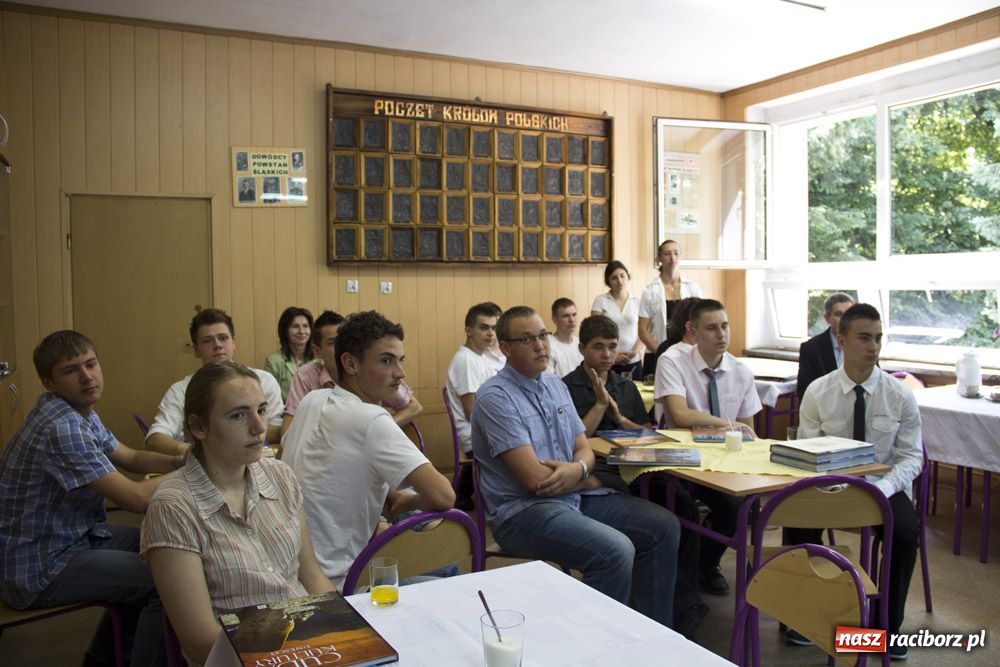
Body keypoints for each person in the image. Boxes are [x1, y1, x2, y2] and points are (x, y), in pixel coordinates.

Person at [471, 306, 679, 628]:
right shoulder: (495, 397)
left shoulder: (555, 385)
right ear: (505, 348)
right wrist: (582, 473)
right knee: (614, 551)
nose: (540, 345)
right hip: (523, 514)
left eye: (542, 335)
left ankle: (648, 634)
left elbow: (583, 447)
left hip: (574, 498)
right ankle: (593, 646)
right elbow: (536, 481)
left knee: (664, 526)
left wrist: (579, 471)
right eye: (527, 339)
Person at [0, 331, 179, 666]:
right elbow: (136, 498)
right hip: (41, 565)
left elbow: (131, 458)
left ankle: (104, 658)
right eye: (71, 371)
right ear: (49, 382)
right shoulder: (62, 427)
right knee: (166, 581)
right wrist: (201, 468)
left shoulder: (77, 412)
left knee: (153, 543)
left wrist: (182, 459)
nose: (87, 377)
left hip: (70, 538)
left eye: (90, 364)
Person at [141, 362, 336, 665]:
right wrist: (295, 654)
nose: (259, 427)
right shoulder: (174, 507)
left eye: (261, 410)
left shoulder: (280, 476)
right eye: (238, 415)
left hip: (311, 648)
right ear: (198, 427)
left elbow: (310, 576)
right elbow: (200, 642)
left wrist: (342, 633)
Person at [281, 311, 455, 588]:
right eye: (386, 361)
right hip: (342, 584)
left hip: (290, 573)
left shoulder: (312, 400)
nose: (400, 373)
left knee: (439, 567)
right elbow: (444, 496)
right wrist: (407, 502)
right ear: (350, 363)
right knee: (450, 567)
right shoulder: (371, 419)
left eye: (400, 360)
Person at [561, 314, 707, 638]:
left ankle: (682, 598)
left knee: (685, 510)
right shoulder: (566, 388)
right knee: (654, 523)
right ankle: (681, 606)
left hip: (636, 469)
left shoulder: (624, 385)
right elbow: (570, 440)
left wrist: (618, 417)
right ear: (582, 348)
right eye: (598, 347)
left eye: (612, 347)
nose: (607, 355)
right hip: (598, 475)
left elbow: (644, 434)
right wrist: (599, 406)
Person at [790, 303, 920, 659]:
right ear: (842, 340)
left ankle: (886, 627)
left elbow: (911, 458)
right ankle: (804, 617)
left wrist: (885, 488)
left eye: (878, 338)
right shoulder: (818, 391)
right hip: (829, 482)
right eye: (864, 338)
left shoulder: (900, 395)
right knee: (797, 522)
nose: (873, 347)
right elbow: (808, 452)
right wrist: (830, 485)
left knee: (906, 533)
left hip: (884, 485)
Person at [655, 299, 762, 594]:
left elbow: (747, 430)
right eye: (712, 328)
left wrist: (737, 434)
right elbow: (680, 415)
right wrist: (726, 425)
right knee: (718, 507)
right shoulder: (674, 360)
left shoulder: (741, 371)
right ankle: (695, 569)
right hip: (685, 457)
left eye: (725, 326)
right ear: (693, 331)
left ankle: (704, 564)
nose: (721, 335)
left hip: (726, 457)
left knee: (742, 506)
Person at [145, 308, 284, 456]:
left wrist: (223, 435)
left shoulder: (264, 380)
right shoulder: (181, 390)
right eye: (207, 341)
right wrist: (195, 452)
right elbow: (155, 439)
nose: (217, 345)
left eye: (223, 338)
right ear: (196, 349)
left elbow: (279, 430)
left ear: (233, 342)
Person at [445, 303, 504, 457]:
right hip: (475, 439)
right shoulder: (465, 360)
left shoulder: (482, 356)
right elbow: (471, 412)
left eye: (494, 328)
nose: (491, 334)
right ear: (468, 330)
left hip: (489, 433)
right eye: (484, 328)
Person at [638, 240, 703, 376]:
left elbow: (701, 322)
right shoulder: (650, 291)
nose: (672, 258)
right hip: (657, 352)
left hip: (689, 354)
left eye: (676, 253)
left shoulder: (693, 287)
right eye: (667, 254)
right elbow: (643, 331)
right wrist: (662, 351)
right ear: (659, 258)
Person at [797, 292, 855, 400]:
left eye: (849, 314)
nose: (845, 319)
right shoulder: (811, 348)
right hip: (825, 410)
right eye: (839, 314)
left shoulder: (864, 344)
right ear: (827, 318)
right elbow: (805, 391)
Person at [591, 260, 644, 378]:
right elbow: (595, 331)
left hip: (634, 360)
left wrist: (635, 351)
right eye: (614, 278)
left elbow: (645, 330)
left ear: (628, 277)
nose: (619, 281)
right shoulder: (601, 300)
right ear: (608, 281)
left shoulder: (637, 301)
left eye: (622, 276)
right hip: (608, 360)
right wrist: (614, 355)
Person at [263, 306, 314, 402]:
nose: (301, 331)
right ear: (285, 331)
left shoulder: (319, 360)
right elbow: (268, 398)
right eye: (295, 326)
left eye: (305, 326)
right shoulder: (273, 361)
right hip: (285, 415)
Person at [547, 298, 584, 377]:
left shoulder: (580, 343)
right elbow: (549, 380)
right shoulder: (548, 346)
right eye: (565, 316)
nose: (571, 320)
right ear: (554, 319)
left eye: (574, 315)